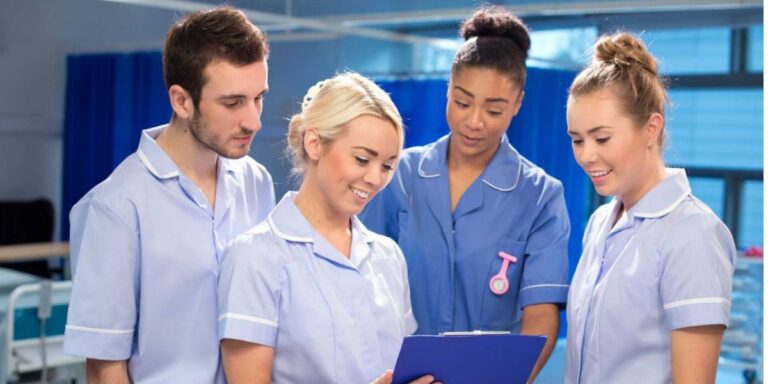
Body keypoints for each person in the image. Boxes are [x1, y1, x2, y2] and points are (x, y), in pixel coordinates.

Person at [63, 7, 275, 383]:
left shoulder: (257, 183)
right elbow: (104, 367)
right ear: (181, 101)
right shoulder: (115, 208)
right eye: (233, 102)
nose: (253, 121)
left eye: (258, 98)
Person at [360, 6, 569, 380]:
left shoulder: (540, 196)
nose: (474, 122)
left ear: (518, 104)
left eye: (493, 109)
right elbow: (360, 285)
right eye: (462, 102)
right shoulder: (399, 175)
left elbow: (540, 316)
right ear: (448, 90)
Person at [217, 72, 432, 384]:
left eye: (387, 166)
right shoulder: (255, 257)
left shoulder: (388, 256)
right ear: (314, 143)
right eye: (362, 159)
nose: (375, 178)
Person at [564, 32, 736, 383]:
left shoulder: (693, 233)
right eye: (577, 140)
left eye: (602, 138)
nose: (586, 155)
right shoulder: (600, 223)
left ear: (651, 129)